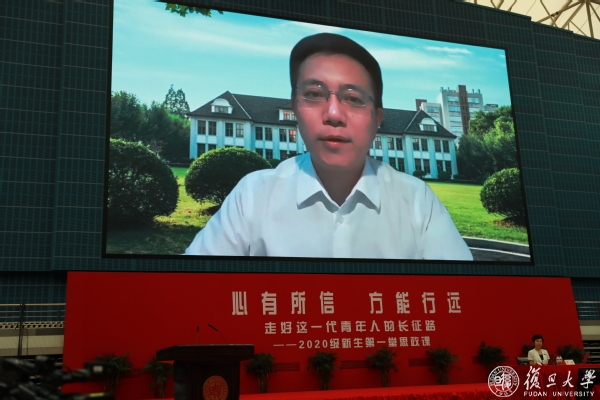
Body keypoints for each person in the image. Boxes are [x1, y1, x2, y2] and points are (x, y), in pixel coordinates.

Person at [185, 33, 473, 260]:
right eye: (314, 94)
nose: (333, 114)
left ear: (377, 120)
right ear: (294, 109)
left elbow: (462, 299)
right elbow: (194, 293)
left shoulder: (416, 200)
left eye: (354, 99)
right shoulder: (254, 195)